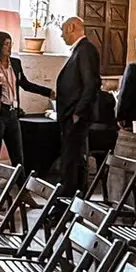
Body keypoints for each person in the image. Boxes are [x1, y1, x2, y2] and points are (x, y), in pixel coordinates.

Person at [0, 31, 52, 170]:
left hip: (13, 112)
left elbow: (25, 84)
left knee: (18, 154)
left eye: (10, 44)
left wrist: (48, 92)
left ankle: (21, 187)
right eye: (5, 45)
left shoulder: (15, 63)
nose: (9, 48)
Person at [54, 15, 101, 195]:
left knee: (70, 161)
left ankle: (65, 202)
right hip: (71, 115)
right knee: (74, 160)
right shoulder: (79, 50)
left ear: (72, 27)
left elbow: (91, 84)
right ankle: (75, 198)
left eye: (62, 30)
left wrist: (78, 113)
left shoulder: (86, 50)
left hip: (76, 116)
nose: (61, 35)